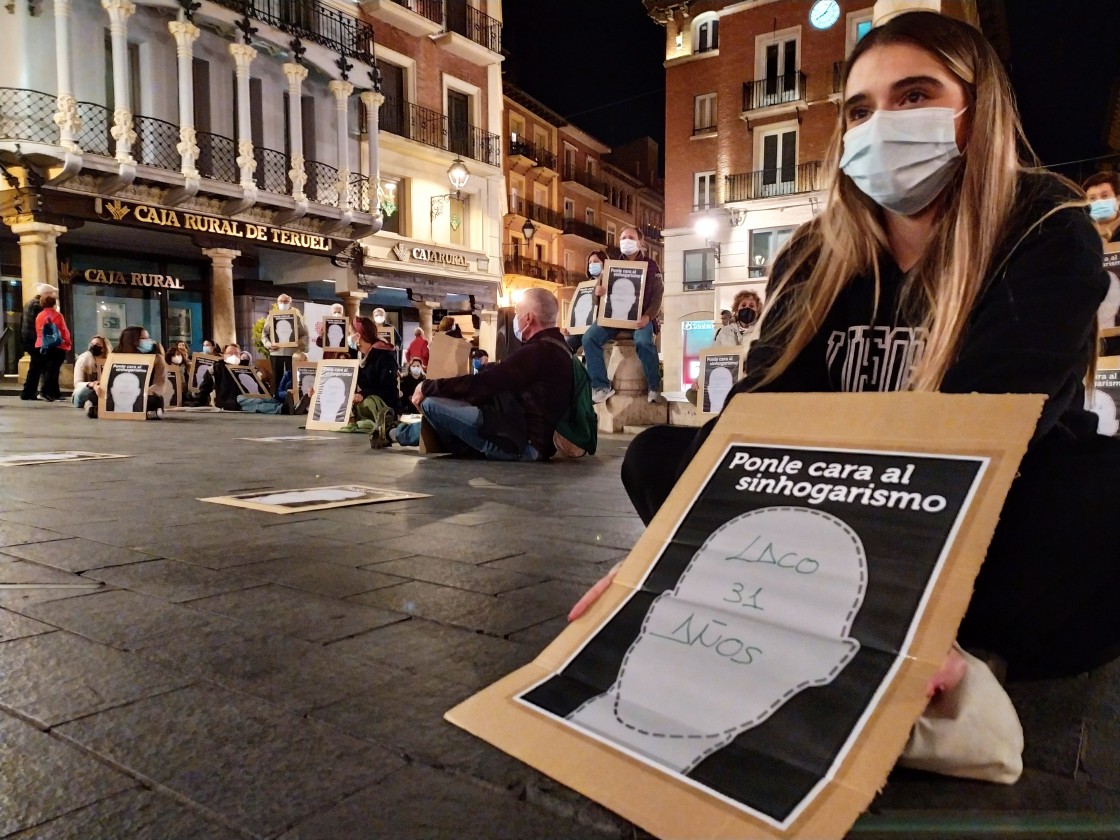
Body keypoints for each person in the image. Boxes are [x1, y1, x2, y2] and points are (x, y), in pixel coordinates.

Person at [586, 11, 1119, 692]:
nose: (882, 125)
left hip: (987, 516)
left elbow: (993, 434)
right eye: (861, 109)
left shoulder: (1044, 226)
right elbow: (760, 411)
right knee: (660, 460)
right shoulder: (817, 254)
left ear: (977, 110)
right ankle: (897, 630)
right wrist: (657, 569)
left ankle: (922, 631)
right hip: (831, 508)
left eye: (915, 96)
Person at [394, 288, 574, 461]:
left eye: (517, 313)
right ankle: (395, 433)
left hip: (521, 445)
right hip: (530, 439)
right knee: (457, 408)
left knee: (431, 403)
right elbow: (503, 378)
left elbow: (484, 383)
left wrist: (427, 386)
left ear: (528, 318)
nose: (515, 319)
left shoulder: (537, 351)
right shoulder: (561, 349)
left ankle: (402, 434)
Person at [582, 227, 664, 404]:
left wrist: (648, 317)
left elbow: (658, 295)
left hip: (641, 317)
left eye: (631, 237)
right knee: (589, 338)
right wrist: (597, 292)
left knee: (643, 342)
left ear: (640, 243)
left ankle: (654, 386)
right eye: (623, 237)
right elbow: (595, 298)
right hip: (613, 317)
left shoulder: (651, 266)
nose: (626, 240)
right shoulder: (612, 267)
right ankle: (601, 386)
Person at [86, 326, 167, 419]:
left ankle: (99, 411)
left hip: (142, 395)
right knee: (93, 395)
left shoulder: (157, 359)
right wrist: (98, 386)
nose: (149, 341)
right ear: (131, 340)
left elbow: (159, 385)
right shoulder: (115, 356)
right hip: (117, 394)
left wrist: (142, 393)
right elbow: (106, 380)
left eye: (148, 338)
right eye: (143, 339)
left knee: (156, 401)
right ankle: (147, 414)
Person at [350, 316, 401, 414]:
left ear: (357, 336)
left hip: (385, 413)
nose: (349, 338)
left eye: (350, 334)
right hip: (370, 411)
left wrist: (363, 394)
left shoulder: (384, 357)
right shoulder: (360, 355)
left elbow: (389, 391)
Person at [562, 250, 609, 353]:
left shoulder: (609, 282)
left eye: (596, 261)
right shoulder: (584, 286)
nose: (592, 264)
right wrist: (570, 327)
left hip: (598, 326)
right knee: (565, 345)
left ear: (605, 263)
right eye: (590, 262)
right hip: (581, 328)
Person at [262, 294, 308, 393]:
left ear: (290, 302)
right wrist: (269, 345)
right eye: (281, 301)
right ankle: (275, 399)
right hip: (275, 352)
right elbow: (264, 334)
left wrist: (298, 342)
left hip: (292, 353)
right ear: (277, 303)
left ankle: (291, 399)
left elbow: (304, 334)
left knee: (291, 377)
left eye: (285, 301)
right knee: (275, 377)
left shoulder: (297, 316)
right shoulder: (271, 316)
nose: (283, 303)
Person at [19, 282, 56, 401]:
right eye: (50, 294)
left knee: (35, 366)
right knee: (37, 367)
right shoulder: (38, 306)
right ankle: (29, 392)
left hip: (29, 340)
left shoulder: (28, 303)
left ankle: (29, 392)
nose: (53, 296)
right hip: (36, 341)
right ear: (45, 295)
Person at [32, 294, 72, 402]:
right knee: (53, 370)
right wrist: (68, 342)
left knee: (46, 370)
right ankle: (45, 392)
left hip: (41, 345)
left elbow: (38, 331)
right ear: (54, 303)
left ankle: (55, 393)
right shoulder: (57, 315)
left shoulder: (39, 316)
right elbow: (64, 330)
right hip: (55, 346)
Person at [196, 343, 246, 411]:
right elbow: (204, 391)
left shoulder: (247, 370)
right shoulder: (215, 369)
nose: (234, 356)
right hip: (227, 407)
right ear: (223, 356)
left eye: (236, 353)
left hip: (246, 405)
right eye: (230, 353)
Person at [1083, 171, 1120, 244]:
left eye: (1105, 196)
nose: (1098, 202)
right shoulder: (1082, 237)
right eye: (1092, 198)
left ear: (1118, 199)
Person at [72, 335, 108, 409]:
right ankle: (90, 405)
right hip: (83, 394)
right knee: (87, 392)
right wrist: (92, 384)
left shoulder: (108, 361)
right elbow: (77, 384)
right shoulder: (83, 359)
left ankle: (91, 406)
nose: (94, 346)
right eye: (92, 344)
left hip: (101, 393)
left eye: (97, 344)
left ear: (104, 348)